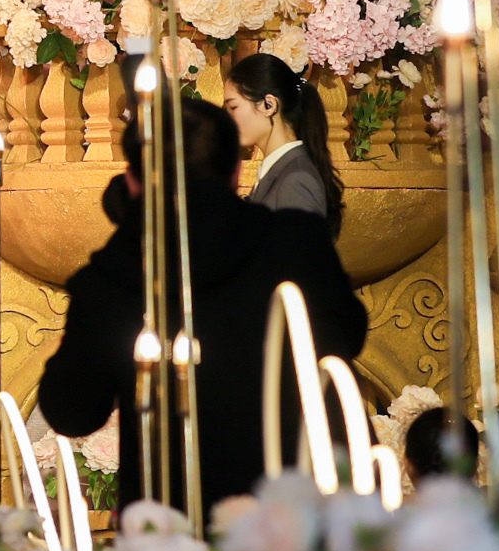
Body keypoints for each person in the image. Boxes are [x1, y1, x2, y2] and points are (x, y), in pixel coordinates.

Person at [39, 97, 368, 514]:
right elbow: (349, 335)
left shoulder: (112, 276)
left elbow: (71, 412)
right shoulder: (295, 240)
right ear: (235, 172)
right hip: (298, 505)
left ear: (134, 180)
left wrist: (130, 227)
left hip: (174, 517)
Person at [224, 53, 344, 235]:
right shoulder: (281, 170)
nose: (228, 118)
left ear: (269, 105)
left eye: (233, 107)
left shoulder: (296, 179)